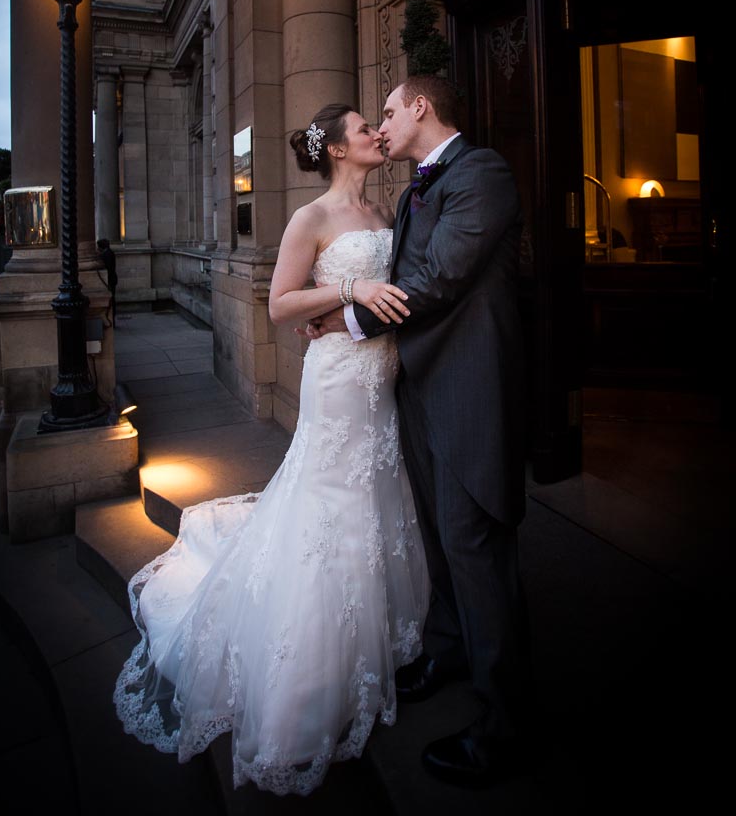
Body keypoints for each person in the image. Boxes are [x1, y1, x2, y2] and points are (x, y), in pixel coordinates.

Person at [113, 104, 429, 796]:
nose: (376, 133)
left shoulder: (386, 210)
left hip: (382, 374)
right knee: (332, 497)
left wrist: (355, 307)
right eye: (363, 128)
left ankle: (376, 632)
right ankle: (308, 674)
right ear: (337, 149)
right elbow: (282, 303)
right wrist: (347, 288)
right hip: (338, 379)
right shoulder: (309, 218)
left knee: (376, 487)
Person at [307, 75, 531, 789]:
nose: (382, 124)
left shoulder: (482, 174)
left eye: (389, 111)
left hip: (469, 390)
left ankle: (505, 726)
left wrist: (345, 320)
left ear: (420, 108)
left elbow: (438, 279)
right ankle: (449, 649)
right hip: (416, 388)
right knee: (437, 535)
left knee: (474, 547)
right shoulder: (409, 194)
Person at [96, 238, 117, 326]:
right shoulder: (109, 252)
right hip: (111, 279)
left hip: (110, 280)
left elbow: (108, 267)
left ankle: (111, 319)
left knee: (111, 299)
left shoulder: (107, 254)